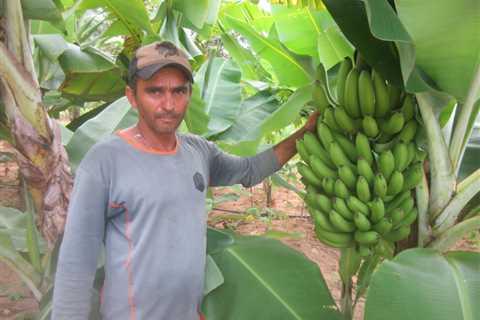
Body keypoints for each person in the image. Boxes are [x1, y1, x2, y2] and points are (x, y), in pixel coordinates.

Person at [52, 41, 319, 320]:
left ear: (189, 94)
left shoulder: (198, 151)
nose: (169, 104)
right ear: (132, 96)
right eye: (155, 91)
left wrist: (304, 134)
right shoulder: (105, 160)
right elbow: (77, 261)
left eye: (178, 91)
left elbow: (250, 170)